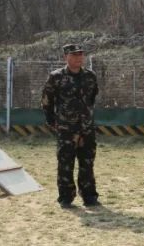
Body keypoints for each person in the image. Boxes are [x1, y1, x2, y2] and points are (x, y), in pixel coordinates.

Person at [40, 43, 100, 207]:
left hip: (86, 128)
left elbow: (92, 97)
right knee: (65, 163)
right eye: (74, 55)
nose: (78, 58)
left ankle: (89, 196)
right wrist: (52, 121)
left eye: (80, 54)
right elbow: (47, 100)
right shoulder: (56, 76)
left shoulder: (90, 76)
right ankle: (66, 197)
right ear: (65, 57)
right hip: (66, 129)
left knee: (87, 163)